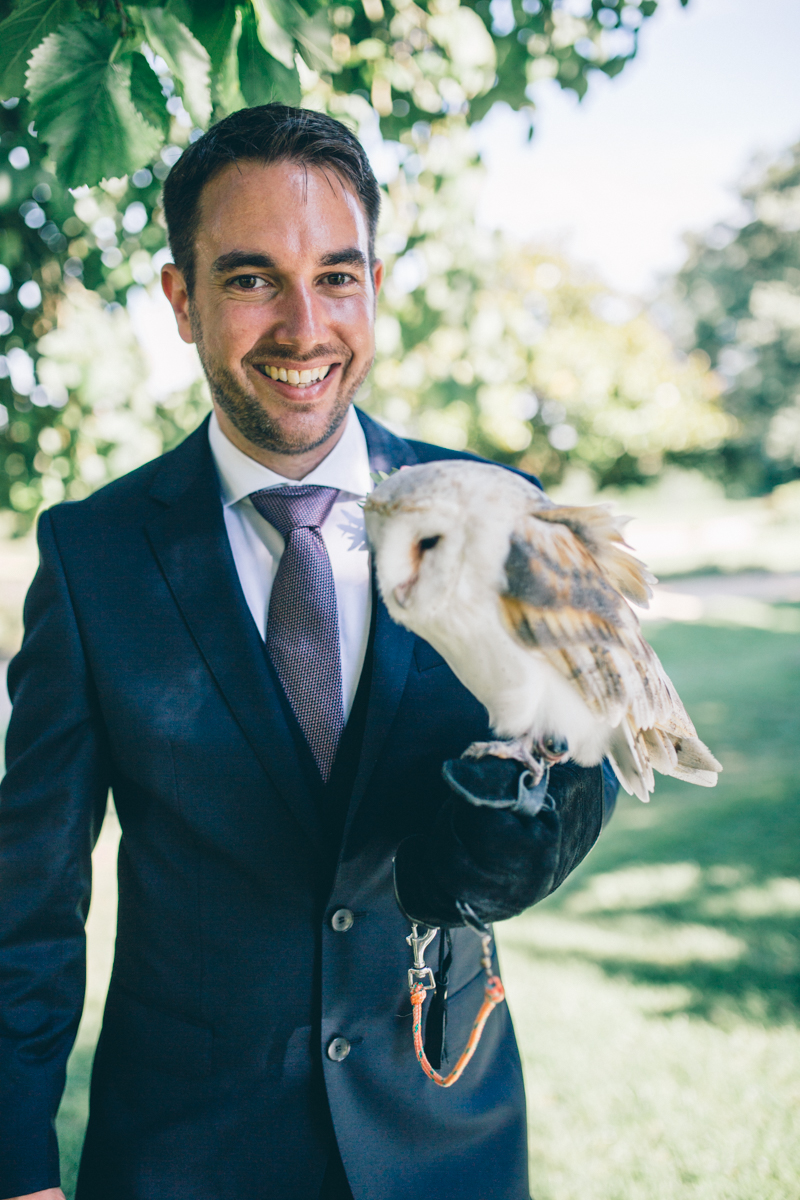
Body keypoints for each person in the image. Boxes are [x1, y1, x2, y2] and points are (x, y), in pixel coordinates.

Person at [0, 104, 617, 1200]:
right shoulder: (93, 557)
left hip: (443, 1134)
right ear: (181, 302)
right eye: (249, 280)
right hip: (185, 1154)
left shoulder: (490, 511)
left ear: (373, 284)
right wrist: (15, 1164)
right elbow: (30, 899)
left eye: (337, 276)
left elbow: (584, 764)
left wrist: (517, 833)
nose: (303, 325)